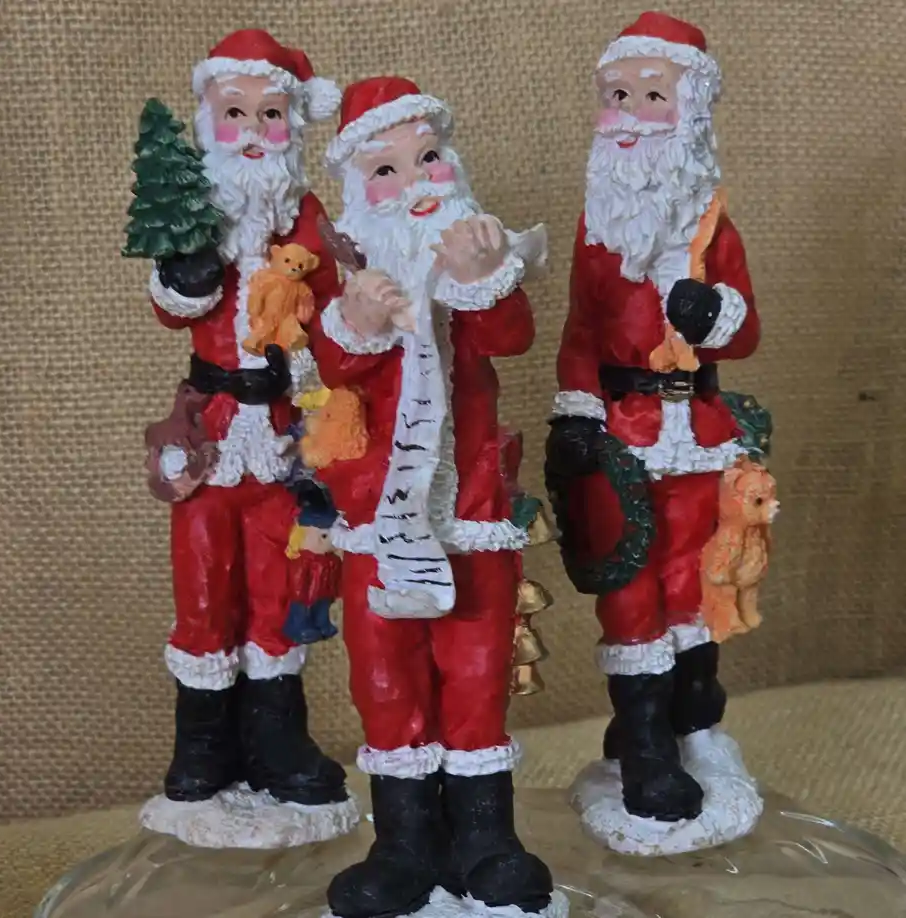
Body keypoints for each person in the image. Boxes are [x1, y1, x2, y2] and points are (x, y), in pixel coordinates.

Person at [309, 77, 557, 918]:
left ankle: (486, 838)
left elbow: (509, 336)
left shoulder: (472, 268)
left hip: (471, 515)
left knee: (477, 673)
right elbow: (338, 365)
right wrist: (361, 320)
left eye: (428, 159)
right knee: (387, 680)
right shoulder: (353, 283)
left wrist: (483, 276)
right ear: (360, 192)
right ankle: (405, 843)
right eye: (387, 170)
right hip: (379, 523)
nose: (414, 182)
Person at [549, 12, 760, 825]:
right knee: (631, 584)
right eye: (618, 96)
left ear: (691, 110)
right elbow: (580, 328)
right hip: (624, 433)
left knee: (696, 576)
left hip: (697, 435)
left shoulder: (713, 227)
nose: (632, 114)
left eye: (652, 95)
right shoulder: (597, 225)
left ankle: (694, 721)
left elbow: (746, 331)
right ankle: (642, 744)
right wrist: (576, 412)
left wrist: (715, 314)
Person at [145, 29, 348, 818]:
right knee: (203, 585)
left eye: (270, 115)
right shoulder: (193, 213)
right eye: (236, 114)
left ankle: (277, 739)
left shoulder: (307, 218)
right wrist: (186, 275)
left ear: (291, 126)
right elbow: (172, 311)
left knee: (279, 584)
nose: (255, 132)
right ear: (210, 121)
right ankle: (203, 742)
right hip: (212, 433)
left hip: (284, 434)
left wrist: (310, 372)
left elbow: (337, 320)